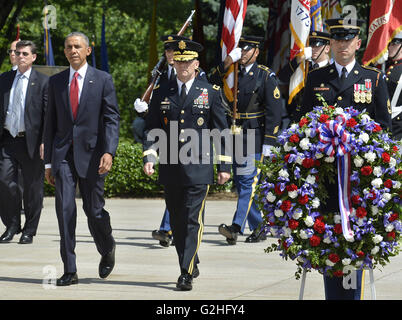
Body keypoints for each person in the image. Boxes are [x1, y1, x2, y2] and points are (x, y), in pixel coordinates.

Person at [300, 18, 391, 300]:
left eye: (348, 39)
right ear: (330, 44)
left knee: (356, 239)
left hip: (359, 181)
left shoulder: (372, 78)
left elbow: (384, 127)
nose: (342, 45)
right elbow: (303, 122)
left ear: (358, 43)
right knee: (327, 237)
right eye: (337, 39)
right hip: (325, 179)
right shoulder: (316, 78)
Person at [143, 38, 231, 291]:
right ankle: (189, 258)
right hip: (170, 166)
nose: (182, 66)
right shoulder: (162, 92)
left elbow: (220, 132)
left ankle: (186, 271)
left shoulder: (210, 92)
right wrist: (150, 156)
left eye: (187, 62)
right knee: (178, 221)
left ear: (196, 63)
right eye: (178, 61)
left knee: (192, 220)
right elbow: (152, 128)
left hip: (198, 167)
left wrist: (224, 166)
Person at [44, 32, 120, 286]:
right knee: (65, 211)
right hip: (63, 155)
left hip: (94, 155)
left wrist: (109, 151)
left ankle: (107, 246)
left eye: (77, 46)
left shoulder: (102, 80)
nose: (72, 50)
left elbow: (111, 119)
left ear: (88, 50)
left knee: (94, 211)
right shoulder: (55, 82)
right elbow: (50, 123)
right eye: (68, 47)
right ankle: (70, 269)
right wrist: (48, 163)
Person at [135, 35, 207, 248]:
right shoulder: (160, 76)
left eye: (173, 51)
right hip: (169, 147)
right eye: (168, 52)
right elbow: (155, 118)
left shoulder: (196, 75)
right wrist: (144, 110)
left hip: (194, 150)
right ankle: (172, 231)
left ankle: (172, 234)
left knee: (191, 212)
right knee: (176, 200)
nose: (171, 56)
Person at [209, 36, 283, 245]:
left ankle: (236, 227)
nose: (242, 53)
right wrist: (226, 64)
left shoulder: (265, 76)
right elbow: (209, 80)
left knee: (248, 182)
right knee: (242, 185)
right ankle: (259, 227)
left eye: (246, 49)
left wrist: (270, 141)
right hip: (234, 134)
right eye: (240, 49)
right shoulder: (232, 73)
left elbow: (274, 112)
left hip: (254, 135)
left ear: (256, 52)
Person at [0, 40, 48, 244]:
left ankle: (29, 229)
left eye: (25, 54)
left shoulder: (43, 82)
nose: (20, 56)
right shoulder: (4, 79)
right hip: (8, 140)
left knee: (32, 188)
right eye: (17, 53)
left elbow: (48, 115)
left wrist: (46, 141)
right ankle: (11, 225)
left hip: (32, 142)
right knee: (4, 181)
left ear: (33, 57)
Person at [278, 31, 332, 122]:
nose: (313, 49)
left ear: (327, 49)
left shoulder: (332, 70)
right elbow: (282, 78)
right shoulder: (302, 67)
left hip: (322, 120)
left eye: (317, 46)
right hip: (298, 118)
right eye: (311, 46)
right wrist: (298, 59)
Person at [385, 31, 402, 141]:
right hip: (385, 125)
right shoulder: (385, 67)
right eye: (389, 43)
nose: (390, 47)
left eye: (394, 43)